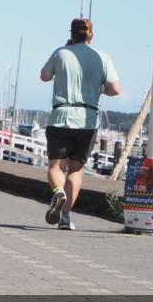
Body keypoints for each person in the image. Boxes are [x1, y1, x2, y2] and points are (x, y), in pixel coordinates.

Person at [40, 18, 121, 230]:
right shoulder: (102, 57)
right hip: (88, 119)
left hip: (61, 116)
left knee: (56, 166)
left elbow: (44, 76)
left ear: (72, 34)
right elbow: (115, 89)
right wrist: (98, 89)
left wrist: (64, 53)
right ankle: (65, 217)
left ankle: (58, 191)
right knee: (76, 170)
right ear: (91, 35)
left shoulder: (61, 53)